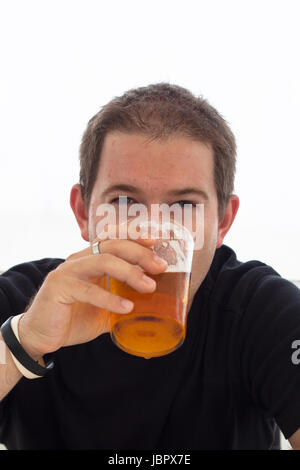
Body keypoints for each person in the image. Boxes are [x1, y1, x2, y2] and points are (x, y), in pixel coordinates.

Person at [0, 82, 300, 450]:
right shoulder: (23, 303)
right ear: (83, 212)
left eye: (184, 206)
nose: (154, 234)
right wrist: (24, 343)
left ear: (222, 222)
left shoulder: (261, 311)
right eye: (125, 201)